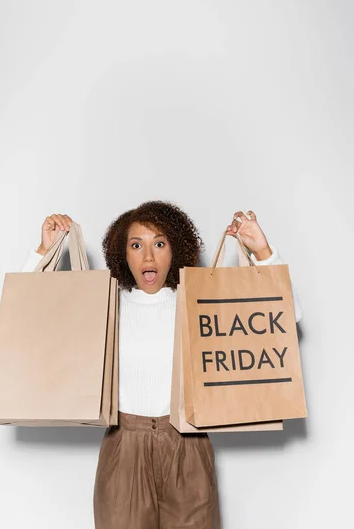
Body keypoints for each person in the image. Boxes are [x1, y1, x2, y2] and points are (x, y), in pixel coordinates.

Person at [20, 201, 302, 529]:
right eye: (136, 245)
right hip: (123, 445)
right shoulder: (105, 304)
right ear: (122, 254)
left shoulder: (197, 300)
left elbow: (285, 318)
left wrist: (263, 252)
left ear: (176, 249)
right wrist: (43, 250)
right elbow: (30, 314)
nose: (148, 257)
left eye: (159, 243)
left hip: (188, 444)